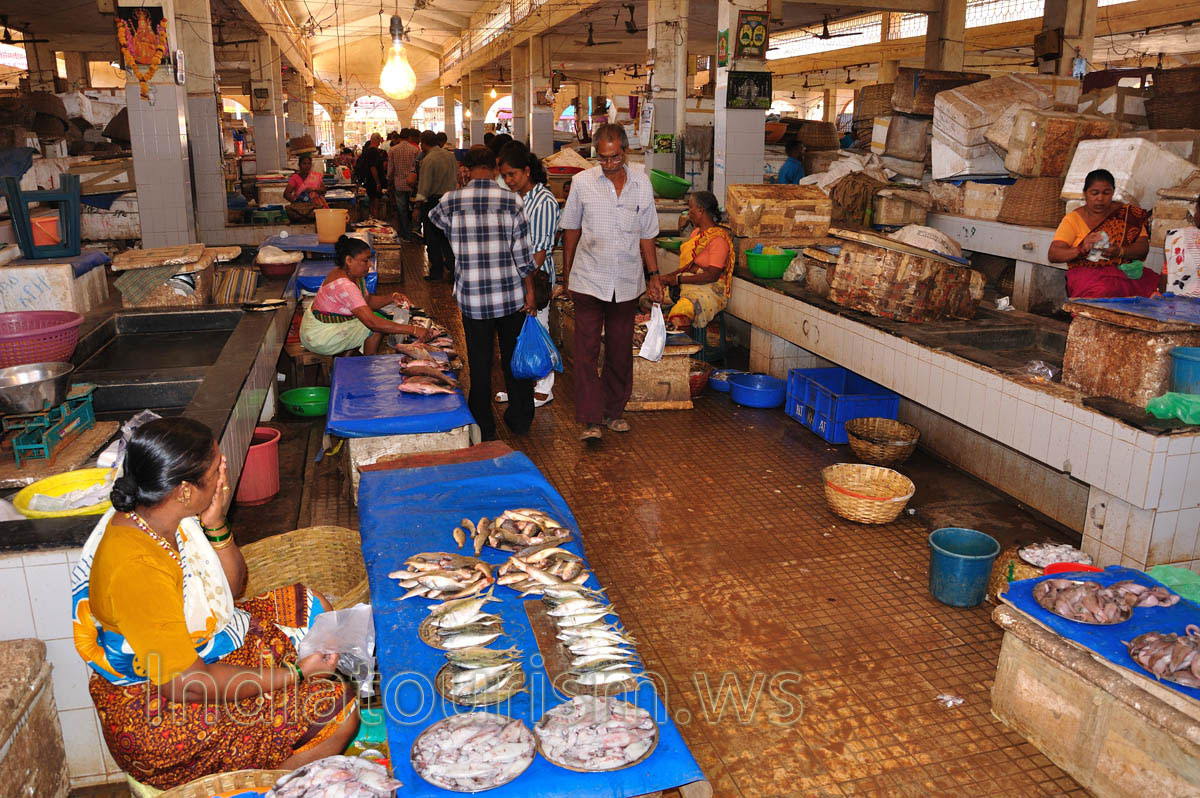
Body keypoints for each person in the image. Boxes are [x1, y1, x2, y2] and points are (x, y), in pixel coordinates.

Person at [72, 418, 358, 789]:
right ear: (184, 490)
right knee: (338, 707)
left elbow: (231, 589)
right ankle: (270, 786)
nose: (223, 476)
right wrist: (297, 674)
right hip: (156, 710)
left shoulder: (163, 516)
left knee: (310, 605)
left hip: (194, 653)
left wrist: (216, 522)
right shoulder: (137, 570)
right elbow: (188, 685)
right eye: (215, 470)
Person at [558, 123, 662, 443]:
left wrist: (654, 274)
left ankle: (614, 411)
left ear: (625, 151)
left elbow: (647, 235)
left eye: (614, 157)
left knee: (619, 350)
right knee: (586, 351)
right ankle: (591, 419)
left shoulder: (642, 184)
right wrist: (566, 273)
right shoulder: (581, 183)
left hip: (627, 281)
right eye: (603, 158)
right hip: (588, 279)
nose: (609, 164)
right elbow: (571, 230)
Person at [429, 146, 538, 441]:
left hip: (473, 298)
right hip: (509, 296)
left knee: (479, 361)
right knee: (513, 360)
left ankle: (483, 425)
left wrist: (460, 188)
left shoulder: (450, 201)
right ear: (495, 167)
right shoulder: (512, 201)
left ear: (464, 167)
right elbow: (523, 256)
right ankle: (520, 418)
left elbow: (435, 221)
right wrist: (530, 291)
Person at [497, 141, 560, 407]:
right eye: (505, 176)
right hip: (516, 278)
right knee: (519, 335)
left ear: (526, 170)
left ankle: (545, 387)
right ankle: (521, 386)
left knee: (539, 331)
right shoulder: (516, 199)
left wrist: (526, 283)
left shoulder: (544, 201)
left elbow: (541, 250)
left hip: (536, 278)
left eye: (513, 174)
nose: (509, 180)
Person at [299, 236, 431, 356]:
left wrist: (391, 297)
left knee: (378, 318)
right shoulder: (345, 286)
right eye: (365, 260)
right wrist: (413, 329)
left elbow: (367, 301)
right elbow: (373, 323)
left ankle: (352, 357)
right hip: (319, 337)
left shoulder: (349, 274)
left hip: (316, 327)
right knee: (375, 328)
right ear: (349, 260)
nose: (369, 265)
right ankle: (367, 366)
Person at [1048, 169, 1158, 298]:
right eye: (1094, 193)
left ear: (1113, 193)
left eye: (1106, 193)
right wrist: (1081, 249)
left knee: (1158, 288)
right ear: (1085, 194)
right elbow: (1054, 254)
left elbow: (1143, 247)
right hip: (1087, 274)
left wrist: (1120, 251)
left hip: (1124, 272)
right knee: (1102, 291)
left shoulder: (1127, 215)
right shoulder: (1073, 219)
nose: (1100, 198)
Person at [661, 191, 734, 331]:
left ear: (701, 210)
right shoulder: (696, 233)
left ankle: (683, 350)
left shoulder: (718, 239)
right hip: (691, 282)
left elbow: (712, 275)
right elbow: (689, 265)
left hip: (710, 289)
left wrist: (678, 280)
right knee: (651, 297)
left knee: (679, 316)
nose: (689, 213)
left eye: (691, 208)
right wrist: (668, 277)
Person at [413, 129, 459, 281]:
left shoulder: (429, 159)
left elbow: (424, 187)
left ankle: (437, 271)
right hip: (450, 200)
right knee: (448, 237)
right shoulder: (450, 156)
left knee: (432, 237)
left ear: (423, 143)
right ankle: (453, 270)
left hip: (433, 202)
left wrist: (417, 207)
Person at [386, 127, 420, 241]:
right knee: (412, 209)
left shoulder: (393, 150)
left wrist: (389, 179)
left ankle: (405, 234)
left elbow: (390, 169)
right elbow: (418, 168)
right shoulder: (415, 150)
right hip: (412, 185)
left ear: (400, 136)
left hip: (399, 184)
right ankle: (414, 232)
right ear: (409, 137)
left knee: (402, 210)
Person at [283, 154, 328, 222]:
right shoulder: (295, 178)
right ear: (299, 165)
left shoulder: (316, 176)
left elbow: (323, 190)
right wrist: (298, 203)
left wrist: (314, 190)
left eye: (309, 163)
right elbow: (286, 194)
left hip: (316, 207)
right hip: (300, 211)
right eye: (304, 163)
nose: (307, 166)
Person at [355, 133, 388, 220]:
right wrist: (378, 183)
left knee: (372, 203)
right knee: (376, 205)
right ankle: (375, 223)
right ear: (376, 140)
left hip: (368, 180)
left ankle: (371, 221)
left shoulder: (366, 151)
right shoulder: (374, 151)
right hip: (374, 181)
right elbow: (373, 167)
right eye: (379, 139)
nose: (380, 142)